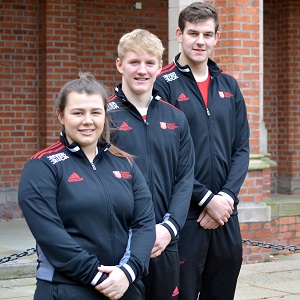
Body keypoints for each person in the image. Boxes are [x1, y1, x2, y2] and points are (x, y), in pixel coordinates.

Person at [18, 72, 156, 300]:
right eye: (77, 113)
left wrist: (127, 271)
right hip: (66, 289)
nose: (88, 121)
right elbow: (51, 236)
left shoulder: (125, 163)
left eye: (95, 112)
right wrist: (98, 277)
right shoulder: (41, 167)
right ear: (61, 116)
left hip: (124, 286)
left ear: (105, 115)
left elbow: (144, 223)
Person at [154, 2, 250, 300]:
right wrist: (206, 200)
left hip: (225, 215)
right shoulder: (163, 84)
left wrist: (225, 198)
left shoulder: (229, 86)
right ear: (179, 34)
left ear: (216, 38)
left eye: (207, 34)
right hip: (183, 217)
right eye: (193, 33)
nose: (200, 41)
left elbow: (242, 149)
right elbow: (164, 157)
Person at [107, 29, 195, 300]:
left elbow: (185, 179)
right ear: (120, 64)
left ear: (160, 65)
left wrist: (168, 229)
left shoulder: (176, 118)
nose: (142, 70)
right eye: (134, 62)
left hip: (164, 242)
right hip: (120, 242)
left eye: (149, 62)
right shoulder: (102, 118)